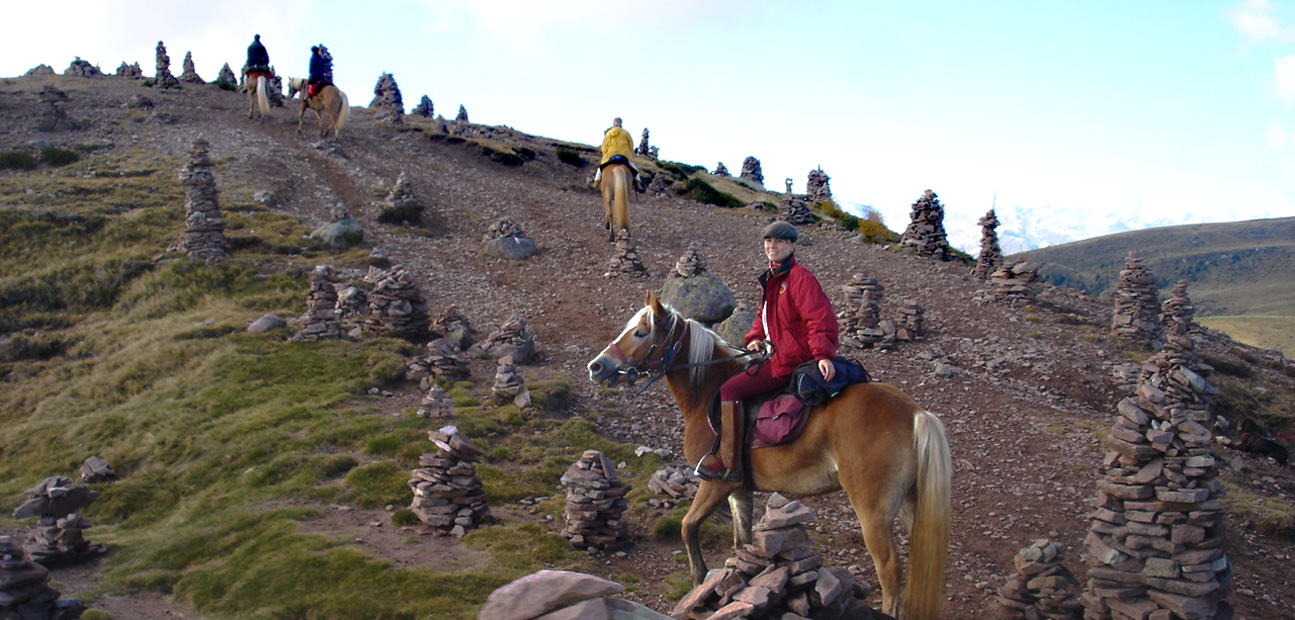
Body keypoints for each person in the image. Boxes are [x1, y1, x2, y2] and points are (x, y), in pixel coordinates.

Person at [695, 221, 840, 482]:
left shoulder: (800, 278)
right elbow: (765, 315)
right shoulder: (774, 277)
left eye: (780, 241)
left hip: (790, 360)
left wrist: (822, 355)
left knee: (729, 390)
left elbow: (819, 318)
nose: (772, 246)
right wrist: (755, 337)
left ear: (792, 246)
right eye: (768, 241)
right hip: (778, 354)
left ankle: (730, 462)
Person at [595, 118, 642, 190]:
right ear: (621, 124)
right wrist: (630, 154)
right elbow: (631, 145)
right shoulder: (626, 133)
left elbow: (604, 147)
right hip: (624, 155)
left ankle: (596, 182)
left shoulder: (608, 134)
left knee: (600, 168)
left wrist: (605, 154)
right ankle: (638, 183)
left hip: (610, 156)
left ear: (613, 124)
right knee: (634, 168)